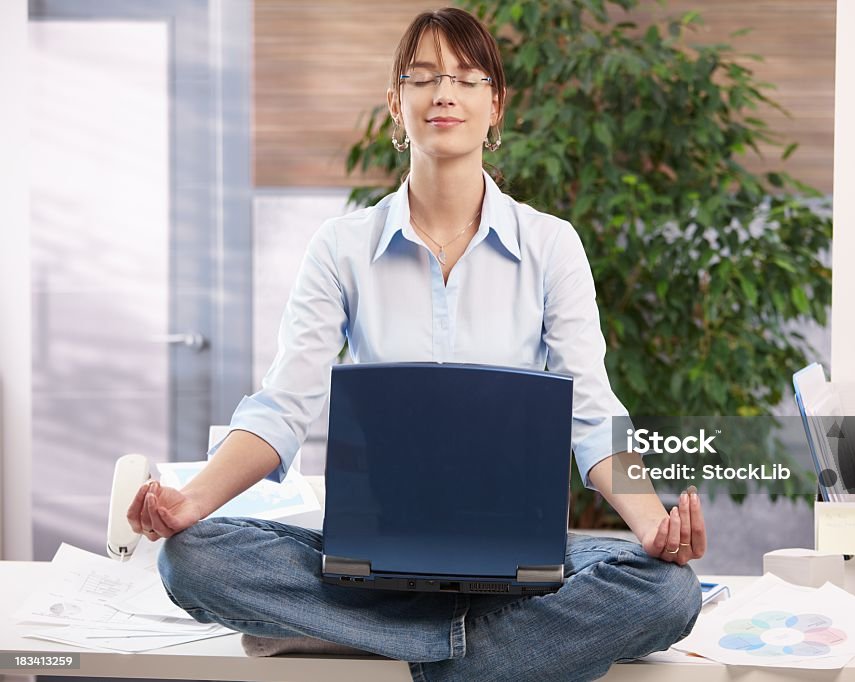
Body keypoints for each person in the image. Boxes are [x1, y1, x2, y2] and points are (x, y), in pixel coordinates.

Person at [129, 7, 708, 681]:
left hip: (515, 558)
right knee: (189, 559)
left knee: (669, 591)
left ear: (496, 106)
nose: (444, 94)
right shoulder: (341, 248)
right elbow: (282, 408)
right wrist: (190, 503)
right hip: (373, 555)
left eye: (466, 78)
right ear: (394, 103)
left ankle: (417, 649)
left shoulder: (552, 246)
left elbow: (593, 416)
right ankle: (483, 653)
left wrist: (649, 524)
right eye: (423, 77)